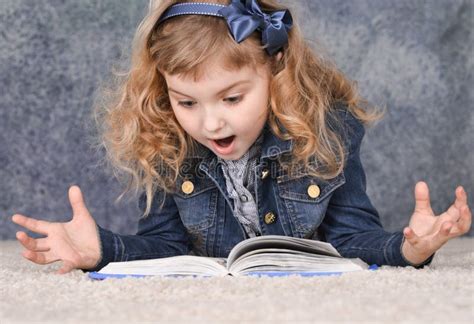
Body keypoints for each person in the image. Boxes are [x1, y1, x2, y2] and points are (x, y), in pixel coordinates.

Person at [11, 0, 472, 275]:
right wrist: (101, 251)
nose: (210, 124)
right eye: (187, 102)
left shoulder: (328, 127)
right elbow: (166, 247)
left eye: (231, 99)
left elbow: (352, 238)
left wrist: (410, 248)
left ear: (275, 69)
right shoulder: (170, 143)